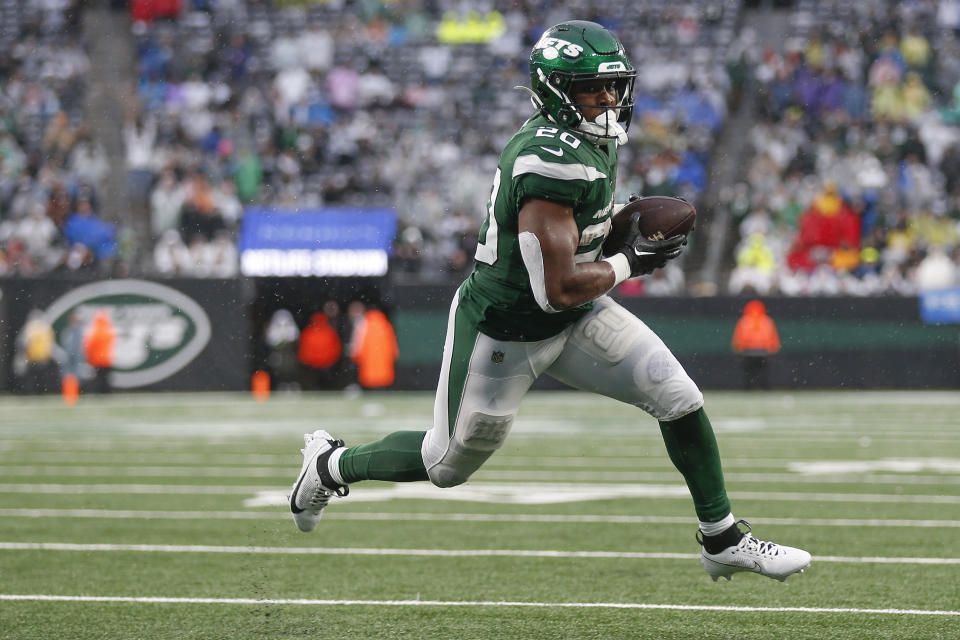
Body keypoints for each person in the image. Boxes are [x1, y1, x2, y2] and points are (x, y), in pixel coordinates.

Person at [289, 21, 810, 583]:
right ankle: (329, 464)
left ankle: (721, 537)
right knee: (445, 465)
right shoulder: (546, 162)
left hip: (574, 316)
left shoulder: (591, 142)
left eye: (614, 86)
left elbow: (579, 247)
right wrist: (632, 261)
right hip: (506, 328)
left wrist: (614, 233)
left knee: (677, 394)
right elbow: (554, 287)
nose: (608, 99)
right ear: (555, 90)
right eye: (592, 88)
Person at [731, 299, 781, 390]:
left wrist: (738, 350)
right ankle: (765, 388)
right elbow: (773, 338)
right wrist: (773, 349)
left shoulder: (744, 321)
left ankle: (748, 388)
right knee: (764, 373)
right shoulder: (767, 321)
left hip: (748, 352)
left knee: (749, 373)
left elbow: (738, 338)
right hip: (763, 352)